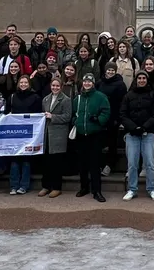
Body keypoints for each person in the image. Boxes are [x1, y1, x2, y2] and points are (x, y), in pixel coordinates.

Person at [119, 70, 154, 201]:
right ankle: (132, 189)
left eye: (144, 78)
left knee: (150, 162)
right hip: (132, 134)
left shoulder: (153, 95)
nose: (141, 80)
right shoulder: (128, 95)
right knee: (132, 163)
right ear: (136, 80)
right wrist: (133, 127)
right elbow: (123, 114)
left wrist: (144, 127)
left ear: (147, 80)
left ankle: (152, 188)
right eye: (139, 78)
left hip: (148, 133)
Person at [72, 74, 111, 203]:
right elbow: (73, 114)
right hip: (81, 134)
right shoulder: (78, 98)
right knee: (82, 163)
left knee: (95, 164)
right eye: (85, 81)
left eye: (89, 82)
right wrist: (76, 122)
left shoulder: (100, 97)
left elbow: (106, 111)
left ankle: (97, 191)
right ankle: (84, 187)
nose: (87, 84)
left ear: (93, 83)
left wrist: (98, 120)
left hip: (95, 134)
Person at [8, 75, 43, 195]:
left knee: (26, 160)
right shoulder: (12, 97)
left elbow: (38, 114)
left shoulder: (36, 97)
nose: (23, 84)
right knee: (15, 159)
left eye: (25, 82)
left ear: (29, 84)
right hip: (14, 133)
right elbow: (7, 112)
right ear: (18, 84)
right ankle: (13, 185)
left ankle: (24, 185)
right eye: (21, 82)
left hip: (29, 134)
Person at [39, 77, 72, 198]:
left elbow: (67, 117)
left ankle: (56, 187)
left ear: (61, 87)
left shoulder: (66, 100)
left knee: (56, 163)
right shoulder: (45, 99)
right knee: (46, 162)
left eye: (57, 86)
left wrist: (52, 116)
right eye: (53, 85)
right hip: (47, 134)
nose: (55, 88)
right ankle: (46, 186)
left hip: (59, 135)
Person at [97, 62, 126, 177]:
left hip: (113, 117)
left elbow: (122, 102)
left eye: (112, 70)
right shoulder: (100, 83)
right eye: (108, 70)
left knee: (112, 143)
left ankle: (109, 165)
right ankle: (99, 164)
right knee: (99, 142)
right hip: (100, 117)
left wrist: (118, 119)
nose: (110, 72)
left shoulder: (120, 84)